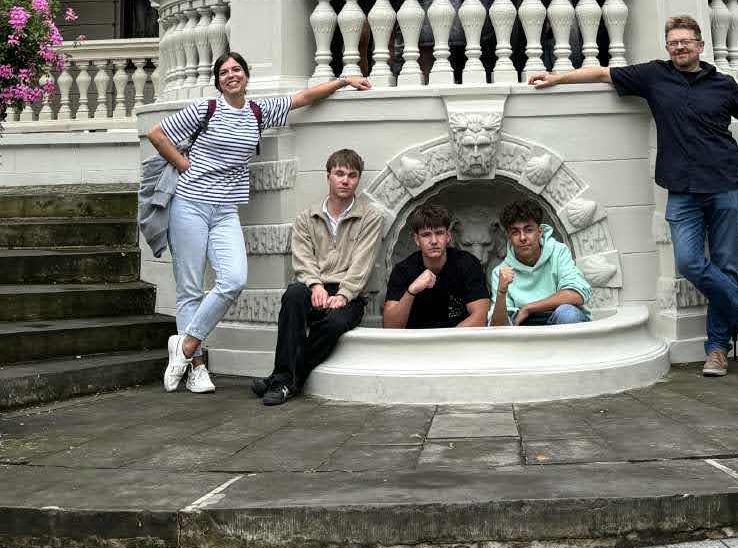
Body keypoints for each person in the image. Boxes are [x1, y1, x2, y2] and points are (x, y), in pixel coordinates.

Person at [529, 13, 738, 377]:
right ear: (667, 47)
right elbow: (602, 73)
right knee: (690, 263)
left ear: (700, 45)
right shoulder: (655, 76)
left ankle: (717, 351)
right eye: (673, 42)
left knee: (726, 267)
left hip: (724, 186)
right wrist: (556, 78)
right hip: (682, 190)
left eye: (685, 41)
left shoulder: (724, 84)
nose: (679, 47)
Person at [148, 51, 371, 392]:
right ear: (218, 80)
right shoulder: (205, 109)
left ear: (246, 76)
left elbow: (302, 98)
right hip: (190, 203)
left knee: (233, 279)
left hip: (225, 210)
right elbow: (157, 134)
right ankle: (195, 368)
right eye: (224, 71)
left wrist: (343, 81)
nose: (231, 74)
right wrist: (184, 166)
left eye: (236, 69)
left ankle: (186, 345)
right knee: (190, 288)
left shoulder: (258, 112)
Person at [253, 148, 384, 406]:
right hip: (314, 286)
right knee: (293, 296)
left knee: (335, 324)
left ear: (358, 179)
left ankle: (282, 380)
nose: (345, 180)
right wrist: (315, 285)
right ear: (328, 177)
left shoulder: (370, 217)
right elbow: (303, 258)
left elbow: (363, 262)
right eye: (339, 174)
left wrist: (344, 295)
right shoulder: (306, 218)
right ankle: (283, 380)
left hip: (350, 293)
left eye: (352, 175)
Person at [383, 198, 489, 327]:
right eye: (426, 235)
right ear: (416, 239)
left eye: (439, 233)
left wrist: (446, 339)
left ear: (448, 236)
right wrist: (411, 291)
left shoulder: (468, 264)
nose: (434, 241)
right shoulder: (403, 270)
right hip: (418, 338)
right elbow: (390, 326)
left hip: (458, 337)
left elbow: (480, 317)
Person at [487, 202, 592, 326]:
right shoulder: (501, 272)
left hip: (560, 321)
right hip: (525, 328)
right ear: (508, 237)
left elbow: (577, 294)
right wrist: (501, 292)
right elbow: (498, 328)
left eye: (528, 230)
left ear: (540, 231)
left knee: (567, 313)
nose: (522, 238)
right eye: (515, 232)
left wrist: (528, 308)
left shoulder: (558, 252)